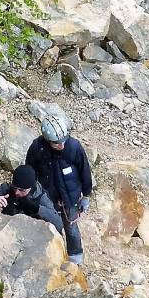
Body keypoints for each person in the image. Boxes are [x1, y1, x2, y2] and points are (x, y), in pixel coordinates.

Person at [25, 111, 91, 264]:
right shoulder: (37, 149)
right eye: (56, 143)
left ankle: (75, 258)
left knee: (71, 228)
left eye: (63, 140)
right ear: (47, 140)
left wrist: (86, 196)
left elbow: (84, 171)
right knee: (50, 225)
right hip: (47, 198)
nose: (61, 145)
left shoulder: (74, 147)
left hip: (71, 198)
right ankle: (52, 255)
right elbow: (30, 171)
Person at [0, 165, 66, 235]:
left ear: (30, 188)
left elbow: (59, 225)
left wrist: (36, 208)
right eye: (15, 188)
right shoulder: (5, 188)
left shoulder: (41, 197)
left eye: (22, 190)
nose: (17, 192)